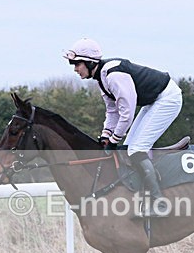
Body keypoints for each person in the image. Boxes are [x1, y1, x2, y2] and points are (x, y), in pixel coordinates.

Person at [64, 38, 182, 218]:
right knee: (128, 149)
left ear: (89, 62)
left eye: (76, 64)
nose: (75, 69)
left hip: (167, 98)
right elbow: (112, 111)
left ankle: (160, 203)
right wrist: (106, 135)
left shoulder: (113, 75)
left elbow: (126, 115)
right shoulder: (101, 78)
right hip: (154, 100)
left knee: (136, 149)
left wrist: (113, 140)